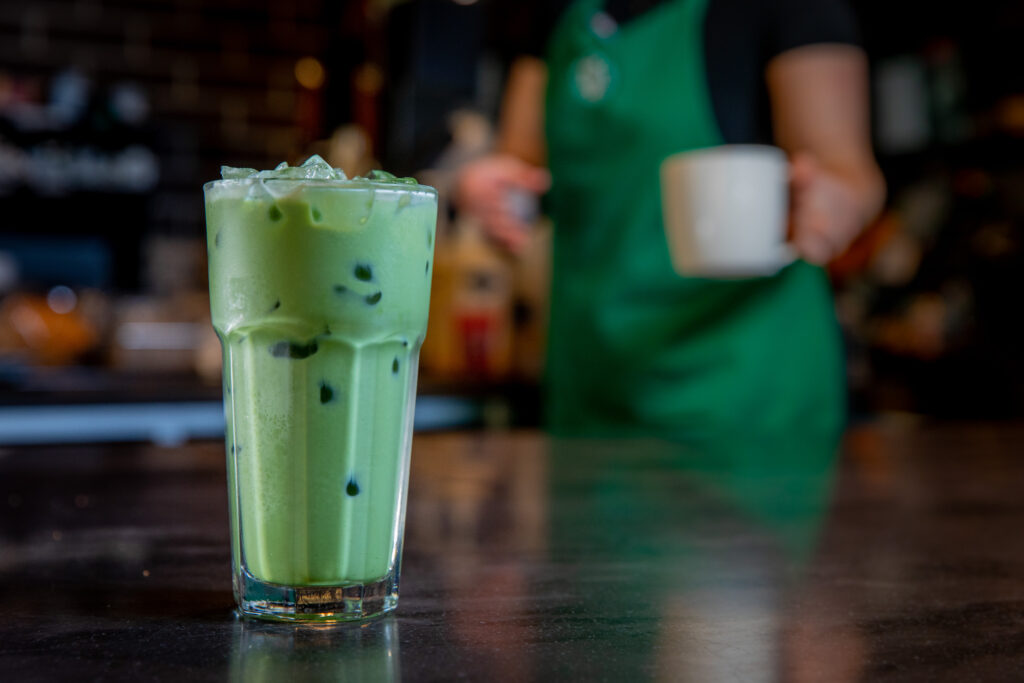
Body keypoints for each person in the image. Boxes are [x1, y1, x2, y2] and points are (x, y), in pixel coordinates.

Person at [457, 0, 885, 439]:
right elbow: (524, 166)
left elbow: (848, 170)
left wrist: (832, 202)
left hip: (746, 387)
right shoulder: (556, 13)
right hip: (591, 379)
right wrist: (496, 194)